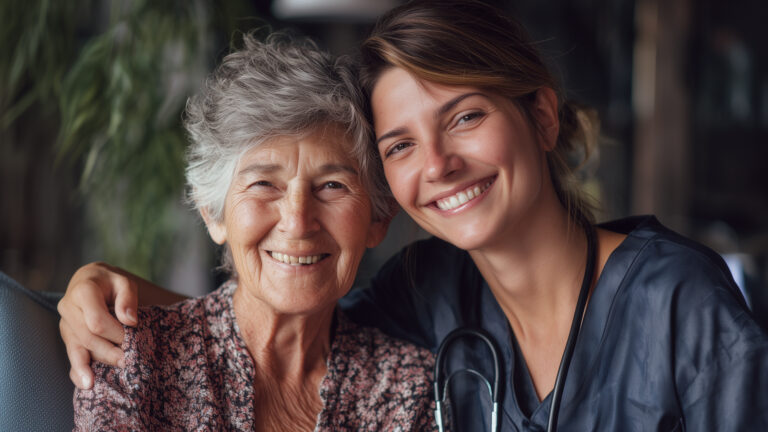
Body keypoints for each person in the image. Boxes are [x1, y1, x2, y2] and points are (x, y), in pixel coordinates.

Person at [60, 1, 768, 430]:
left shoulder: (680, 300)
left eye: (465, 117)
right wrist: (103, 291)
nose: (438, 164)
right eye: (400, 145)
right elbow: (282, 315)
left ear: (543, 117)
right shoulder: (429, 288)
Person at [69, 32, 437, 431]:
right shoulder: (136, 358)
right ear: (213, 214)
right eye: (264, 184)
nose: (297, 221)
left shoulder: (408, 387)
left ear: (379, 219)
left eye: (332, 186)